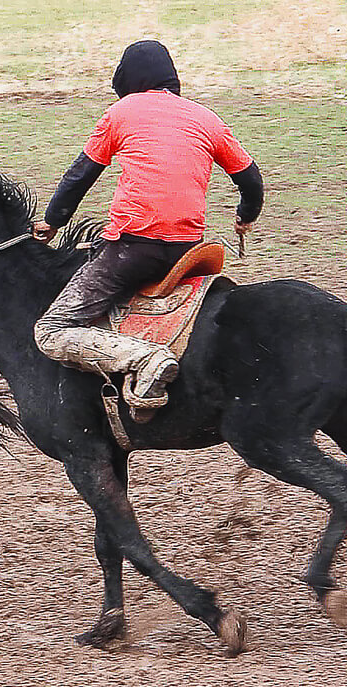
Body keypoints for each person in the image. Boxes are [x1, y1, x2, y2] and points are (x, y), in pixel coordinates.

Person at [32, 40, 264, 422]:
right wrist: (245, 216)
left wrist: (52, 221)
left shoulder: (121, 112)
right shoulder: (207, 118)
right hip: (188, 250)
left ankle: (147, 359)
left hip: (133, 248)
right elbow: (251, 180)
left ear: (130, 80)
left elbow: (81, 175)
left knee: (52, 329)